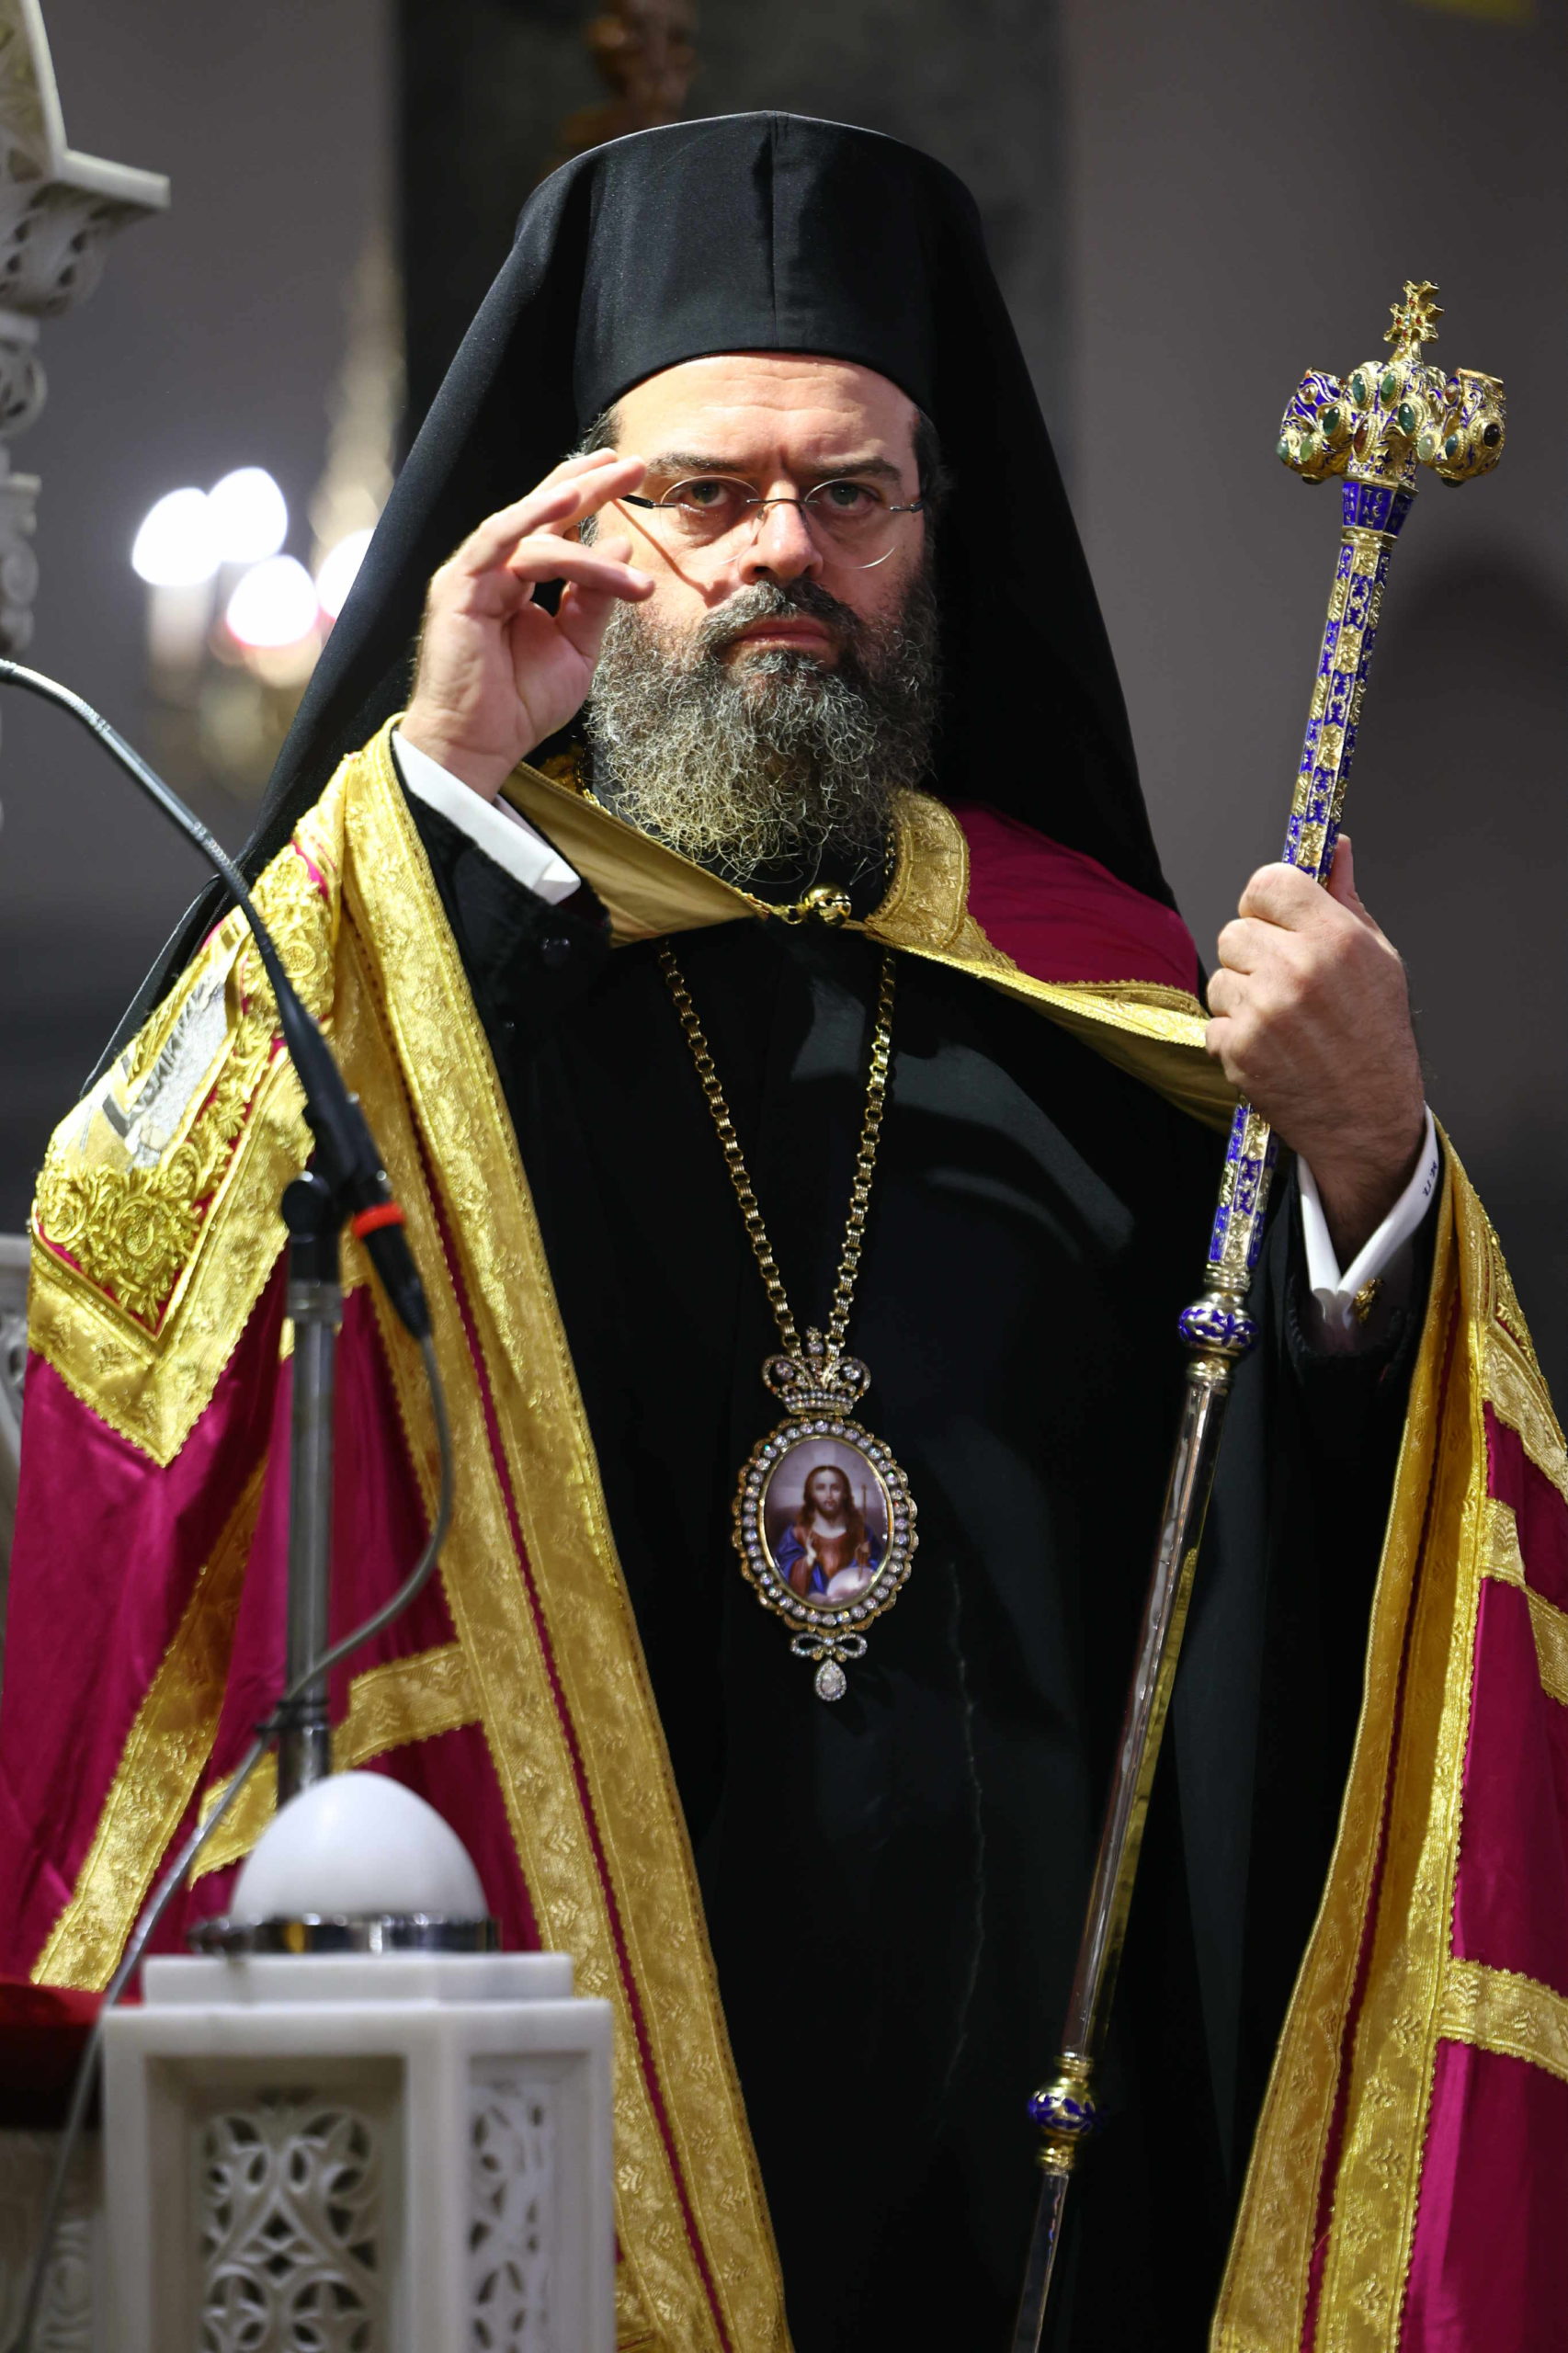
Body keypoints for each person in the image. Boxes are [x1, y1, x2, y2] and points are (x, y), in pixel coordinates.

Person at [4, 114, 1566, 2353]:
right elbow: (145, 1265)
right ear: (570, 529)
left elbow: (1300, 1568)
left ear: (935, 534)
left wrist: (1361, 1159)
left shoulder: (1087, 1001)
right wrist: (433, 802)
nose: (780, 553)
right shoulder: (438, 960)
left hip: (1054, 2142)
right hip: (576, 2108)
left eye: (850, 493)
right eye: (700, 490)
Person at [777, 1463, 880, 1603]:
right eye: (820, 1488)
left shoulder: (861, 1534)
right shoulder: (797, 1535)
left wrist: (865, 1560)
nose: (829, 1495)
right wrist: (808, 1560)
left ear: (845, 1493)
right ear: (811, 1494)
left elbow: (876, 1574)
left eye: (835, 1488)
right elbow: (782, 1575)